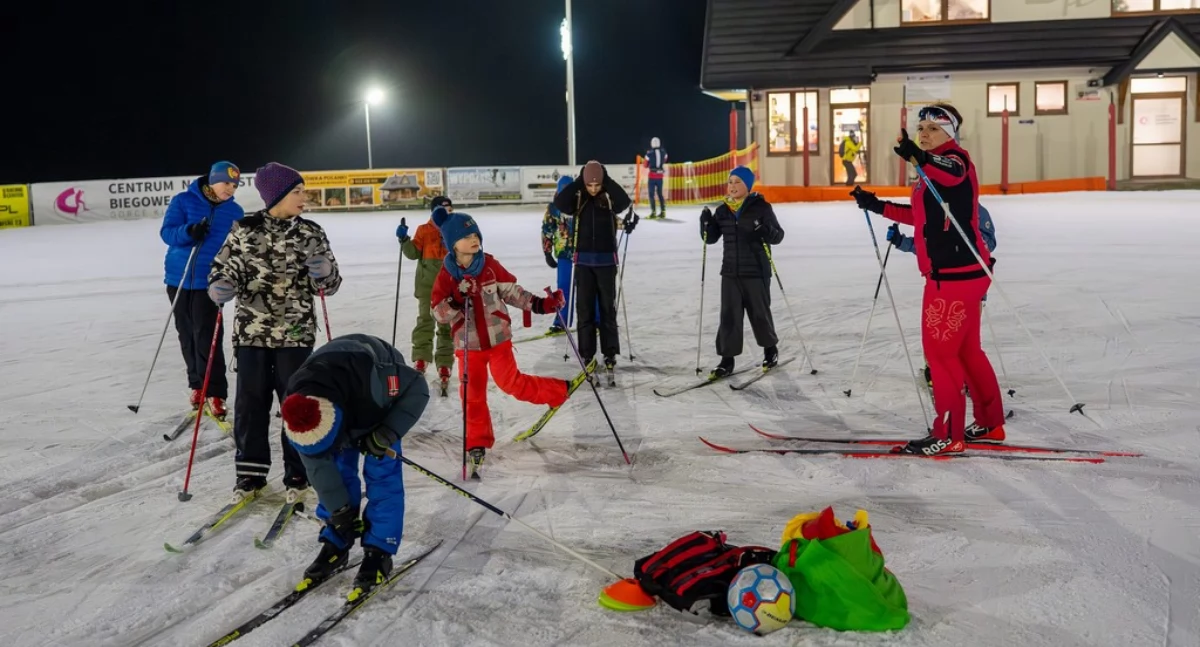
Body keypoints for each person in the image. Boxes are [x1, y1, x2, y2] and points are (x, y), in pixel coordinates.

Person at [850, 102, 1005, 455]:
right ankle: (990, 422)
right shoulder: (930, 171)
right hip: (963, 274)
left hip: (953, 277)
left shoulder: (956, 161)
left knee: (941, 357)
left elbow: (949, 171)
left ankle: (949, 435)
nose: (924, 133)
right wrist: (876, 206)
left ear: (949, 133)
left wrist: (919, 157)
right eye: (921, 128)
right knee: (966, 352)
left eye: (933, 128)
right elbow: (921, 216)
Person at [208, 162, 343, 497]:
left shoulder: (311, 233)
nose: (304, 196)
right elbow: (223, 268)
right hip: (252, 333)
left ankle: (299, 472)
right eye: (297, 191)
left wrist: (324, 272)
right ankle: (250, 473)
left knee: (296, 404)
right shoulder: (245, 229)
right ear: (277, 195)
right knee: (250, 403)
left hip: (296, 335)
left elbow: (329, 286)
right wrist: (221, 286)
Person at [280, 333, 428, 597]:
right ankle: (337, 541)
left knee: (382, 473)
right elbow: (318, 469)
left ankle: (380, 549)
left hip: (376, 403)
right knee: (335, 467)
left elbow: (418, 387)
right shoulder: (298, 410)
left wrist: (386, 433)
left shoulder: (376, 385)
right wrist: (341, 515)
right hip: (340, 396)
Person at [429, 209, 571, 476]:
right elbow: (437, 312)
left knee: (511, 383)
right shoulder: (447, 276)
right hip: (468, 348)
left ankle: (557, 391)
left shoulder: (490, 265)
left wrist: (542, 305)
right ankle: (477, 442)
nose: (474, 239)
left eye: (476, 234)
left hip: (498, 341)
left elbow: (514, 293)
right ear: (452, 243)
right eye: (466, 236)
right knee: (471, 396)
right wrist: (457, 300)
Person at [159, 161, 244, 417]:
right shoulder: (183, 201)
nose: (230, 189)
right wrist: (189, 231)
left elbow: (239, 248)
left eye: (234, 185)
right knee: (187, 335)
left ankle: (215, 392)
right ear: (212, 180)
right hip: (179, 279)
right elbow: (167, 233)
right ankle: (197, 385)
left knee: (208, 337)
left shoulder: (235, 212)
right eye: (226, 183)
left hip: (211, 283)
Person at [887, 206, 998, 401]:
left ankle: (966, 375)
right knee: (937, 332)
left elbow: (989, 243)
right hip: (941, 284)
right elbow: (927, 246)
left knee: (965, 336)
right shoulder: (933, 207)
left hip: (970, 284)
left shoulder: (975, 210)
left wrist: (961, 238)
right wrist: (901, 241)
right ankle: (935, 371)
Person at [552, 161, 637, 374]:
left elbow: (624, 201)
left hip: (607, 262)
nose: (592, 189)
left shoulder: (608, 198)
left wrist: (605, 180)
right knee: (585, 310)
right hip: (583, 262)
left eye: (596, 185)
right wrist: (581, 180)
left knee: (608, 309)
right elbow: (561, 203)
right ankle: (587, 353)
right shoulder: (578, 198)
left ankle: (610, 352)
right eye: (589, 185)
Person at [700, 166, 784, 378]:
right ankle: (727, 360)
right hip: (730, 272)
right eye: (730, 182)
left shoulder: (761, 208)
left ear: (747, 185)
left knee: (760, 314)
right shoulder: (722, 211)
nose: (732, 186)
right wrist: (705, 224)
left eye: (737, 182)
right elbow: (710, 239)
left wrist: (765, 231)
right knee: (729, 316)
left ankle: (770, 350)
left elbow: (778, 236)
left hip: (756, 271)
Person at [399, 196, 454, 393]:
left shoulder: (455, 228)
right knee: (425, 322)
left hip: (449, 287)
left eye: (449, 207)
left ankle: (445, 361)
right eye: (442, 207)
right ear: (433, 210)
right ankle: (421, 358)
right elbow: (413, 253)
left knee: (446, 326)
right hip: (426, 287)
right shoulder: (424, 229)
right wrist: (404, 239)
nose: (447, 210)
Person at [644, 137, 668, 218]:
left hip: (652, 176)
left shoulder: (649, 153)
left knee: (651, 194)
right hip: (660, 176)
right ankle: (663, 212)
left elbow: (645, 165)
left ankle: (653, 212)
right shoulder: (663, 152)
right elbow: (665, 159)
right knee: (660, 194)